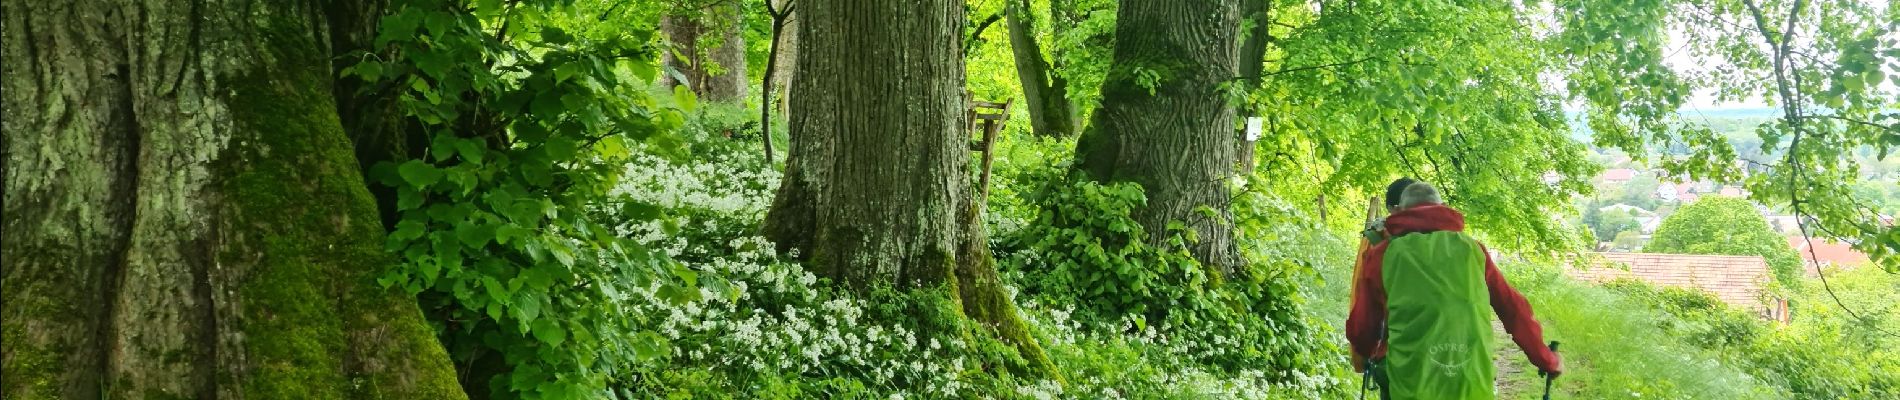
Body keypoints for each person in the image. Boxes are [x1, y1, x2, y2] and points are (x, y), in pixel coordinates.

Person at [1346, 179, 1561, 400]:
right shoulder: (1472, 250)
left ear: (1400, 211)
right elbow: (1513, 309)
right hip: (1471, 382)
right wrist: (1546, 360)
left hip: (1411, 385)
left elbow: (1362, 329)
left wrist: (1371, 353)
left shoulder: (1383, 254)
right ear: (1442, 207)